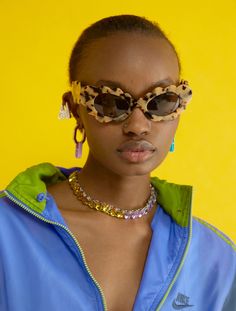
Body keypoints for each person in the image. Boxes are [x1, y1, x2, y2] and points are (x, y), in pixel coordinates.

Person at [0, 15, 235, 311]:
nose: (138, 125)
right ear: (75, 109)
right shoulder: (7, 232)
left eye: (160, 102)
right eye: (110, 103)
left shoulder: (215, 260)